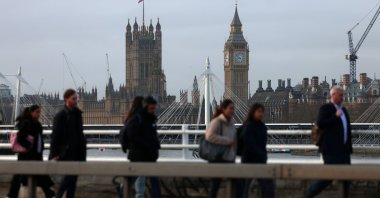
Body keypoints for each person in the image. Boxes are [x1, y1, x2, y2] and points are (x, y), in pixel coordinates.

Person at [306, 85, 353, 198]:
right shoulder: (326, 108)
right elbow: (321, 123)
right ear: (333, 95)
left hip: (344, 152)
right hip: (331, 151)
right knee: (328, 177)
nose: (343, 97)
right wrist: (335, 117)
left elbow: (347, 129)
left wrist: (349, 148)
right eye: (340, 95)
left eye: (343, 95)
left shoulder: (344, 110)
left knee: (346, 179)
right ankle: (309, 194)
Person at [7, 105, 55, 198]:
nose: (39, 114)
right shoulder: (27, 123)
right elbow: (21, 137)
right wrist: (29, 146)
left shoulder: (36, 123)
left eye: (39, 112)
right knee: (23, 175)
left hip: (35, 154)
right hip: (27, 154)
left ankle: (12, 194)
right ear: (31, 112)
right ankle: (48, 192)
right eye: (37, 112)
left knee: (36, 174)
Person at [49, 89, 87, 198]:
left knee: (72, 183)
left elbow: (80, 135)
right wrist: (54, 154)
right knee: (68, 178)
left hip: (77, 153)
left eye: (77, 98)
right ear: (66, 99)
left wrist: (83, 154)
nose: (76, 101)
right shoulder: (60, 116)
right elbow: (55, 137)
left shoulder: (78, 114)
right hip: (65, 153)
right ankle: (58, 196)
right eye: (74, 99)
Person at [127, 96, 162, 198]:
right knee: (138, 185)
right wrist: (147, 145)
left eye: (154, 108)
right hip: (140, 157)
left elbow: (152, 136)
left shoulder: (150, 119)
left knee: (154, 183)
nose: (154, 110)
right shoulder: (137, 119)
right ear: (145, 107)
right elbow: (132, 136)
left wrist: (156, 145)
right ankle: (121, 193)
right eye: (152, 108)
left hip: (150, 157)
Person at [240, 103, 274, 198]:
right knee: (246, 187)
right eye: (259, 112)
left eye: (262, 112)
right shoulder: (248, 126)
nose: (261, 114)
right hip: (249, 161)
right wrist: (261, 154)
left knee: (268, 186)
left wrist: (263, 156)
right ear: (253, 112)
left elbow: (262, 144)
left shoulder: (262, 126)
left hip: (260, 161)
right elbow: (250, 144)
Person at [205, 99, 237, 198]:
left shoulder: (231, 123)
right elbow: (209, 136)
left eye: (233, 108)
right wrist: (227, 141)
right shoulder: (217, 122)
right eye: (231, 108)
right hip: (218, 158)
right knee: (215, 185)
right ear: (223, 109)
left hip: (229, 157)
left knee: (234, 183)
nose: (233, 111)